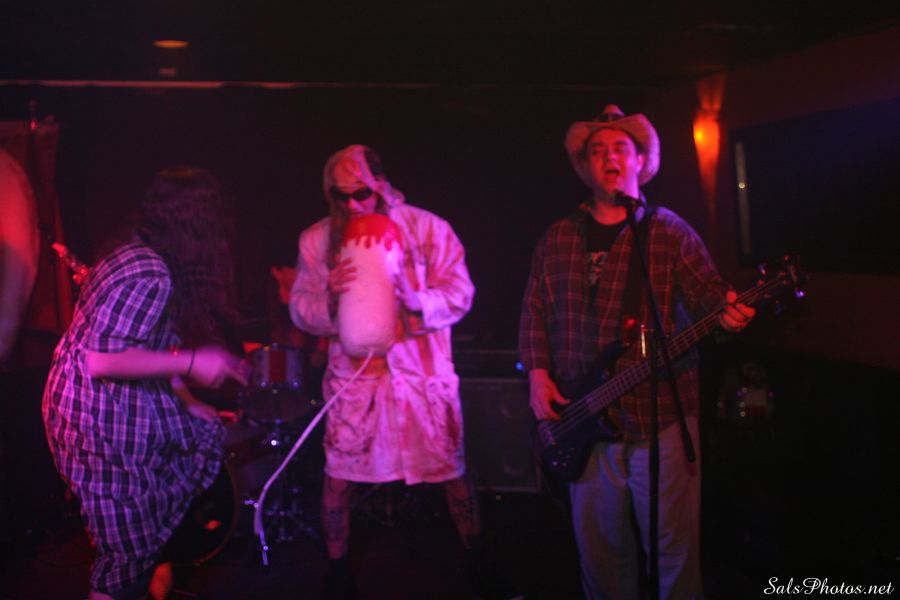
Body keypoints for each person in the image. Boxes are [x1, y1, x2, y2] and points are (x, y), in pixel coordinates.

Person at [519, 105, 755, 599]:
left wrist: (728, 312)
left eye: (619, 149)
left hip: (661, 416)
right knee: (601, 557)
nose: (609, 158)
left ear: (641, 161)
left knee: (674, 552)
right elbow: (534, 310)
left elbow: (710, 296)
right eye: (597, 151)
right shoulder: (557, 237)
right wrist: (538, 374)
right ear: (584, 167)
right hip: (584, 419)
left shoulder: (669, 231)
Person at [289, 145, 502, 599]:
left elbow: (462, 292)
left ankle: (478, 561)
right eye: (341, 196)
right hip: (356, 383)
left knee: (452, 470)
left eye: (361, 193)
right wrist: (330, 298)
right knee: (338, 475)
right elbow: (301, 308)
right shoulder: (317, 240)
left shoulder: (427, 229)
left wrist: (418, 299)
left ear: (381, 186)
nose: (353, 205)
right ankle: (337, 573)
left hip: (422, 379)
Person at [42, 167, 248, 600]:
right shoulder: (151, 273)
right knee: (126, 555)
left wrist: (187, 400)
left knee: (153, 517)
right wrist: (194, 361)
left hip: (99, 403)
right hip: (94, 414)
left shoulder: (137, 254)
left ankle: (152, 577)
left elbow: (147, 345)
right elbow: (101, 360)